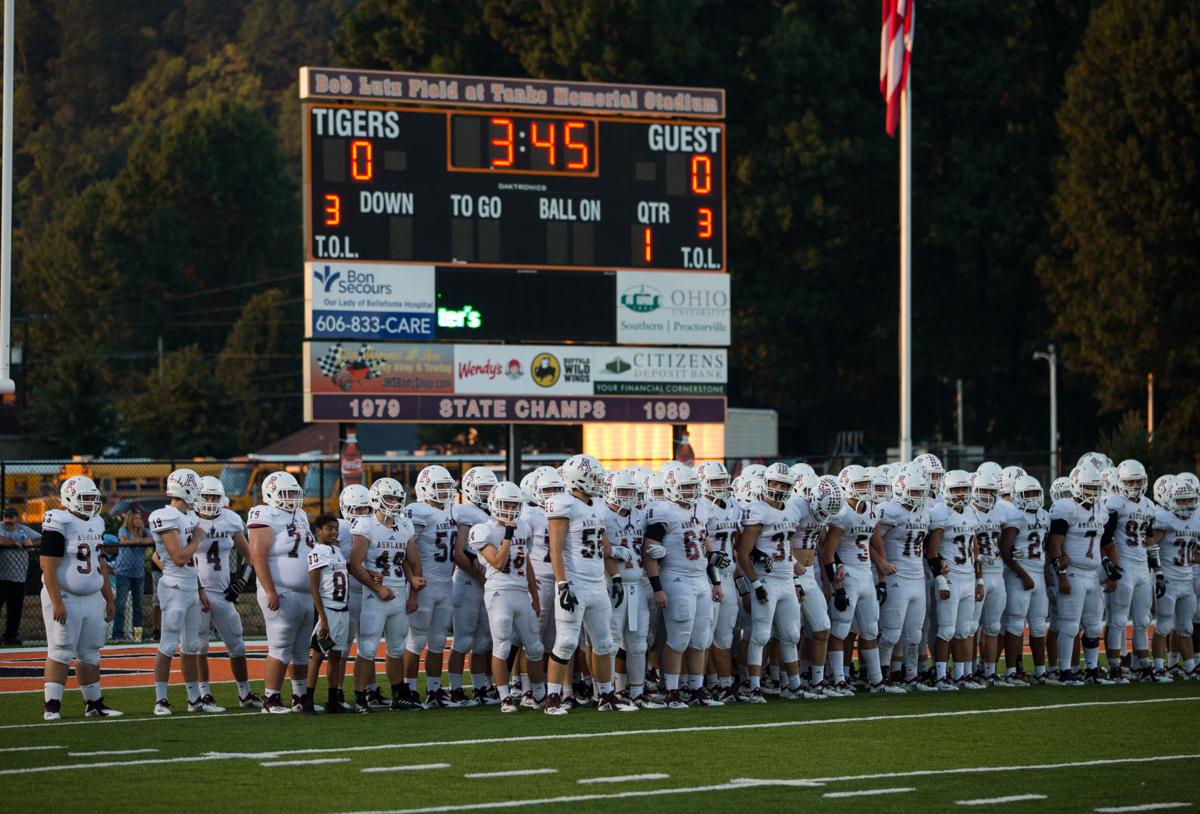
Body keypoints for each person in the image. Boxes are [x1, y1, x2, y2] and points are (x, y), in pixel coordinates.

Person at [544, 454, 622, 714]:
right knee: (566, 642)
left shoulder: (598, 505)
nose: (600, 483)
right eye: (595, 478)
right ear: (579, 479)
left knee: (604, 643)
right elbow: (555, 549)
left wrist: (617, 576)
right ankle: (553, 697)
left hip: (597, 581)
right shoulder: (563, 504)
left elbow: (604, 547)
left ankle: (607, 695)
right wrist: (562, 584)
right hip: (575, 582)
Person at [40, 476, 122, 719]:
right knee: (61, 650)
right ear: (69, 498)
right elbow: (47, 565)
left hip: (92, 596)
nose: (90, 505)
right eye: (85, 499)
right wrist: (57, 602)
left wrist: (109, 597)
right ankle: (52, 706)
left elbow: (101, 562)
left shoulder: (96, 522)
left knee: (90, 652)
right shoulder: (60, 520)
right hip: (66, 596)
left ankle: (94, 704)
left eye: (93, 500)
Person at [469, 480, 547, 713]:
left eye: (514, 505)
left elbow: (528, 563)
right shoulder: (483, 530)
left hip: (521, 591)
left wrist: (535, 595)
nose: (511, 509)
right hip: (499, 592)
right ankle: (504, 697)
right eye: (506, 504)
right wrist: (508, 534)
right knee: (501, 646)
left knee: (535, 647)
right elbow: (499, 562)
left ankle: (538, 694)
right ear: (494, 503)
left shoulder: (524, 527)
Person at [148, 468, 219, 715]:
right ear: (185, 489)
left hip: (190, 586)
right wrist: (198, 539)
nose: (199, 495)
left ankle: (194, 699)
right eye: (196, 489)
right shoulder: (164, 515)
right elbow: (179, 558)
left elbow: (191, 562)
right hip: (174, 587)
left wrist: (200, 589)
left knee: (191, 646)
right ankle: (161, 700)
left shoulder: (188, 516)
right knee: (167, 645)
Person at [350, 477, 423, 712]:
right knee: (368, 648)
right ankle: (360, 696)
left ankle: (397, 695)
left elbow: (412, 561)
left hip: (399, 593)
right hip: (376, 596)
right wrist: (377, 588)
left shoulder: (404, 526)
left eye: (397, 498)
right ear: (376, 498)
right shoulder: (365, 525)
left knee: (397, 649)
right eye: (389, 498)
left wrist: (413, 593)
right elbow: (355, 564)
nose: (394, 503)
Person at [1046, 462, 1121, 685]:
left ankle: (1091, 670)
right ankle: (1065, 671)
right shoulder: (1065, 508)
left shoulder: (1101, 509)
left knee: (1093, 626)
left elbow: (1109, 542)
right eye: (1088, 487)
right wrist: (1061, 575)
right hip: (1073, 572)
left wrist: (1115, 573)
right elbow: (1054, 545)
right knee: (1069, 626)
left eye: (1095, 487)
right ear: (1077, 486)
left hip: (1093, 574)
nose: (1092, 492)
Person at [248, 471, 316, 714]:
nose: (291, 498)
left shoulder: (301, 515)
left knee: (300, 650)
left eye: (294, 493)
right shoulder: (264, 513)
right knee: (280, 646)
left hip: (305, 593)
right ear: (270, 494)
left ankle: (300, 697)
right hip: (281, 590)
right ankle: (270, 699)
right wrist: (269, 590)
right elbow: (257, 555)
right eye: (285, 493)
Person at [736, 463, 803, 703]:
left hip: (786, 579)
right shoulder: (758, 510)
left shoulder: (793, 510)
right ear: (766, 483)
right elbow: (743, 553)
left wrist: (796, 579)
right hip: (767, 580)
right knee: (761, 634)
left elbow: (788, 550)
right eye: (775, 483)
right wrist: (755, 584)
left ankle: (793, 685)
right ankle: (753, 686)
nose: (779, 488)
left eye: (784, 484)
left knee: (791, 634)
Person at [193, 477, 258, 709]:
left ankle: (245, 693)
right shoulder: (189, 520)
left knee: (238, 645)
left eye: (214, 497)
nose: (210, 501)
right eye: (206, 497)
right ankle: (204, 693)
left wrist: (241, 581)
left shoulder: (230, 519)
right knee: (200, 646)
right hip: (197, 593)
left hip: (222, 593)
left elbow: (249, 555)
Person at [402, 465, 459, 708]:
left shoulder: (450, 511)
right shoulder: (417, 511)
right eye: (440, 486)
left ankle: (434, 691)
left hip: (445, 584)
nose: (445, 490)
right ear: (425, 488)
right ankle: (409, 690)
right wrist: (413, 587)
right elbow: (404, 549)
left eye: (447, 485)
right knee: (416, 641)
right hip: (424, 584)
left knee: (438, 641)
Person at [447, 466, 499, 707]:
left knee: (483, 640)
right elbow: (457, 553)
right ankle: (455, 689)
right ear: (469, 489)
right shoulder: (465, 511)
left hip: (487, 582)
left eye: (490, 487)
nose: (488, 493)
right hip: (469, 581)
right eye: (483, 488)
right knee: (463, 640)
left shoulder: (495, 512)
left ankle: (480, 687)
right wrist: (478, 577)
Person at [306, 514, 352, 714]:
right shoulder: (317, 553)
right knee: (317, 656)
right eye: (329, 528)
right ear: (318, 531)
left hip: (343, 610)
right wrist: (323, 619)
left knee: (336, 655)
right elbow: (314, 588)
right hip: (329, 610)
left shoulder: (337, 551)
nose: (334, 532)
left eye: (336, 528)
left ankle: (333, 700)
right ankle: (307, 699)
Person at [0, 507, 39, 645]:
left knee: (15, 609)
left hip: (19, 577)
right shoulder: (1, 528)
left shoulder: (23, 530)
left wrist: (31, 543)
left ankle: (10, 637)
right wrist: (14, 543)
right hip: (2, 576)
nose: (8, 520)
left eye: (11, 517)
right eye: (6, 517)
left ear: (17, 518)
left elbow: (42, 539)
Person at [112, 511, 149, 642]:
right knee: (121, 604)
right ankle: (117, 634)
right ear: (130, 520)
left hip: (139, 573)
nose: (139, 521)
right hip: (123, 572)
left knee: (138, 605)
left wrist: (138, 540)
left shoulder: (144, 532)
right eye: (135, 518)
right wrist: (139, 542)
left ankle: (137, 634)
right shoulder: (124, 529)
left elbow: (153, 539)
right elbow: (124, 540)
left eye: (140, 518)